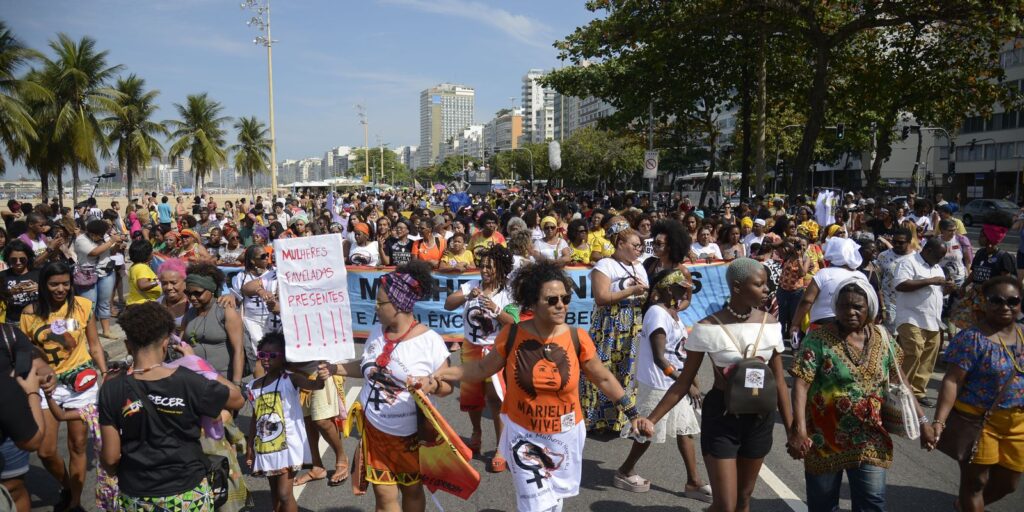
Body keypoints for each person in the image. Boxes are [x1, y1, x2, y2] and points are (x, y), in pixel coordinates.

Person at [431, 259, 642, 512]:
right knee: (534, 504)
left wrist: (633, 414)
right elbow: (480, 368)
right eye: (552, 300)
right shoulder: (512, 335)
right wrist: (441, 375)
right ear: (532, 302)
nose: (561, 305)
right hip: (523, 435)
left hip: (565, 436)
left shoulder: (577, 338)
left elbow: (604, 378)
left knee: (554, 502)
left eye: (565, 299)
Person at [635, 258, 794, 512]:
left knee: (743, 499)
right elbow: (683, 383)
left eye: (767, 284)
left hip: (760, 419)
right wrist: (651, 420)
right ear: (738, 287)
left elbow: (779, 384)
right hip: (722, 417)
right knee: (725, 505)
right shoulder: (706, 328)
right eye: (760, 284)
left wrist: (792, 430)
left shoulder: (772, 324)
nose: (767, 290)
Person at [789, 278, 934, 512]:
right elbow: (801, 385)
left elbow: (900, 382)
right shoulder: (817, 339)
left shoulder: (883, 337)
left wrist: (923, 421)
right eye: (845, 306)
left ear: (870, 308)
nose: (851, 312)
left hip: (870, 437)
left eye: (858, 306)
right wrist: (799, 431)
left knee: (872, 503)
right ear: (836, 308)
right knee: (822, 505)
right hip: (824, 438)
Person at [319, 261, 450, 512]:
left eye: (381, 303)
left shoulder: (429, 341)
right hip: (375, 433)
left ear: (399, 305)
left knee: (411, 491)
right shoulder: (377, 333)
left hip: (410, 437)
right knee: (383, 497)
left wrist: (429, 384)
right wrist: (336, 368)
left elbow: (447, 387)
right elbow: (367, 366)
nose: (375, 308)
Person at [98, 301, 244, 510]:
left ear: (127, 345)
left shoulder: (111, 389)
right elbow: (237, 398)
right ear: (166, 342)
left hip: (137, 493)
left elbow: (111, 457)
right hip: (187, 492)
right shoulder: (190, 381)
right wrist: (196, 363)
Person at [614, 269, 711, 501]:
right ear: (668, 289)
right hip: (659, 383)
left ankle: (693, 482)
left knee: (685, 430)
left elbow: (680, 355)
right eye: (680, 286)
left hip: (674, 383)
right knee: (648, 430)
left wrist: (690, 381)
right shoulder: (657, 313)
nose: (685, 290)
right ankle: (625, 470)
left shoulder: (673, 313)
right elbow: (660, 358)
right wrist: (686, 383)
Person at [19, 261, 107, 511]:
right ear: (43, 285)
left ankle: (75, 502)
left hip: (81, 383)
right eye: (54, 284)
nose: (60, 289)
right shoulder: (29, 313)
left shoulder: (83, 306)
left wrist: (104, 371)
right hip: (47, 385)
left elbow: (95, 345)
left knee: (78, 445)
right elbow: (27, 352)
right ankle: (67, 486)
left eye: (65, 284)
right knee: (46, 451)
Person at [932, 275, 1024, 512]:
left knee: (1009, 484)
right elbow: (952, 380)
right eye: (997, 300)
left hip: (1018, 423)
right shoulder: (971, 339)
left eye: (1012, 301)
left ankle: (964, 505)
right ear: (984, 302)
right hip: (980, 422)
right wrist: (939, 421)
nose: (1005, 307)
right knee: (975, 483)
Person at [443, 246, 518, 473]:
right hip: (470, 349)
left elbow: (514, 323)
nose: (484, 270)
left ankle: (500, 449)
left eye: (489, 267)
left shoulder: (508, 293)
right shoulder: (471, 286)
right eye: (483, 266)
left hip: (495, 351)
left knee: (495, 399)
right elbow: (448, 303)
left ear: (501, 269)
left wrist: (496, 309)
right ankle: (476, 432)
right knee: (472, 399)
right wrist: (467, 295)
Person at [246, 332, 326, 511]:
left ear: (283, 358)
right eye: (263, 355)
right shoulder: (253, 386)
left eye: (273, 355)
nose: (267, 359)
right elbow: (254, 418)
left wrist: (321, 376)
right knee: (275, 494)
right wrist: (250, 445)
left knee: (284, 493)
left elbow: (315, 385)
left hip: (289, 445)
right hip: (266, 446)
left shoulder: (290, 378)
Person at [581, 227, 649, 433]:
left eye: (641, 246)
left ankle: (621, 420)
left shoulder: (639, 266)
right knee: (602, 368)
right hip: (610, 324)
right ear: (621, 245)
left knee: (626, 370)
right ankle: (595, 419)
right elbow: (601, 297)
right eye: (635, 245)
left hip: (633, 323)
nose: (639, 249)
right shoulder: (605, 265)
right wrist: (631, 290)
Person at [894, 238, 954, 407]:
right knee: (913, 352)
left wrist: (946, 288)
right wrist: (930, 281)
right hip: (911, 317)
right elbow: (901, 284)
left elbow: (938, 293)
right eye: (939, 255)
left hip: (932, 320)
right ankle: (901, 390)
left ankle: (918, 391)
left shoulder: (937, 269)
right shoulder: (909, 262)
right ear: (927, 250)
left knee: (929, 357)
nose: (940, 259)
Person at [0, 328, 50, 512]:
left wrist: (43, 372)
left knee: (13, 489)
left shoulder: (8, 334)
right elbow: (34, 440)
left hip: (11, 431)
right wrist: (32, 392)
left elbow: (33, 359)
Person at [788, 237, 871, 342]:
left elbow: (807, 301)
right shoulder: (861, 276)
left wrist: (795, 324)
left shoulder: (824, 273)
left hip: (821, 326)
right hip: (852, 329)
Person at [181, 262, 247, 385]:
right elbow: (182, 344)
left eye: (198, 293)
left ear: (211, 290)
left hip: (222, 379)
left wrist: (236, 384)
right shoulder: (189, 314)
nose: (192, 297)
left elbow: (239, 350)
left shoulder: (226, 310)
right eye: (188, 293)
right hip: (194, 379)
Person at [953, 224, 1016, 331]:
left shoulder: (1003, 256)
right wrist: (964, 286)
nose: (979, 238)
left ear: (990, 239)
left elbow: (1005, 280)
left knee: (988, 325)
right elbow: (974, 272)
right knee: (966, 320)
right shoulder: (980, 253)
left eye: (982, 236)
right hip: (975, 294)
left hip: (991, 296)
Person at [72, 220, 123, 339]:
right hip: (87, 275)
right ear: (91, 233)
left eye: (103, 234)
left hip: (106, 273)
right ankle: (87, 334)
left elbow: (109, 251)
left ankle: (106, 331)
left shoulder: (105, 236)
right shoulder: (81, 240)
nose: (101, 236)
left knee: (104, 303)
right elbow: (94, 252)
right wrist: (111, 241)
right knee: (89, 306)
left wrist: (117, 246)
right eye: (99, 234)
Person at [877, 228, 913, 332]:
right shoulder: (883, 256)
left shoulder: (916, 258)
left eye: (900, 242)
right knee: (890, 335)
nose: (896, 245)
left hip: (908, 304)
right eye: (894, 242)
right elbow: (878, 280)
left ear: (909, 242)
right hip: (888, 303)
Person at [0, 241, 39, 324]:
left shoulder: (39, 273)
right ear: (8, 259)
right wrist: (10, 292)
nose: (18, 262)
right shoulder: (3, 276)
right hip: (12, 321)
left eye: (22, 259)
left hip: (36, 319)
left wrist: (40, 288)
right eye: (13, 260)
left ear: (28, 258)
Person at [126, 240, 161, 305]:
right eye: (151, 250)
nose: (152, 252)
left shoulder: (135, 266)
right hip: (143, 305)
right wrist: (159, 281)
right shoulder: (141, 267)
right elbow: (142, 285)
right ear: (146, 254)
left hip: (136, 302)